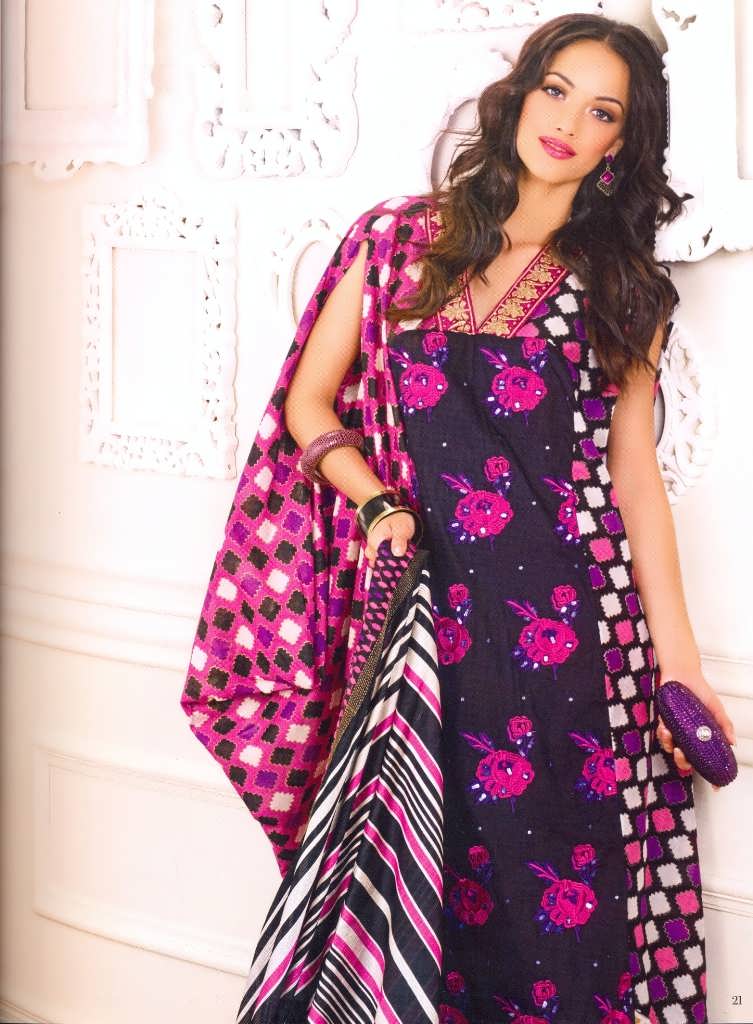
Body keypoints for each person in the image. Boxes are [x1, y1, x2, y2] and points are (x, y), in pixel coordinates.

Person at [181, 12, 737, 1024]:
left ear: (620, 146)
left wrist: (680, 666)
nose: (567, 121)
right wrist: (377, 502)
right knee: (407, 902)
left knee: (556, 919)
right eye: (556, 90)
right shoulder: (399, 239)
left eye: (601, 111)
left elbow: (633, 482)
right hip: (426, 630)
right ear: (520, 93)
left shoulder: (621, 291)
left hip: (574, 640)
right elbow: (309, 403)